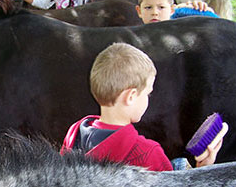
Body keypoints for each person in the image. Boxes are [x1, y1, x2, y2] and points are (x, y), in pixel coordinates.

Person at [60, 42, 223, 171]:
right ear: (130, 97)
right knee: (180, 164)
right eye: (147, 93)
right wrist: (203, 169)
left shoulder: (74, 132)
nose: (148, 99)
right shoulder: (148, 154)